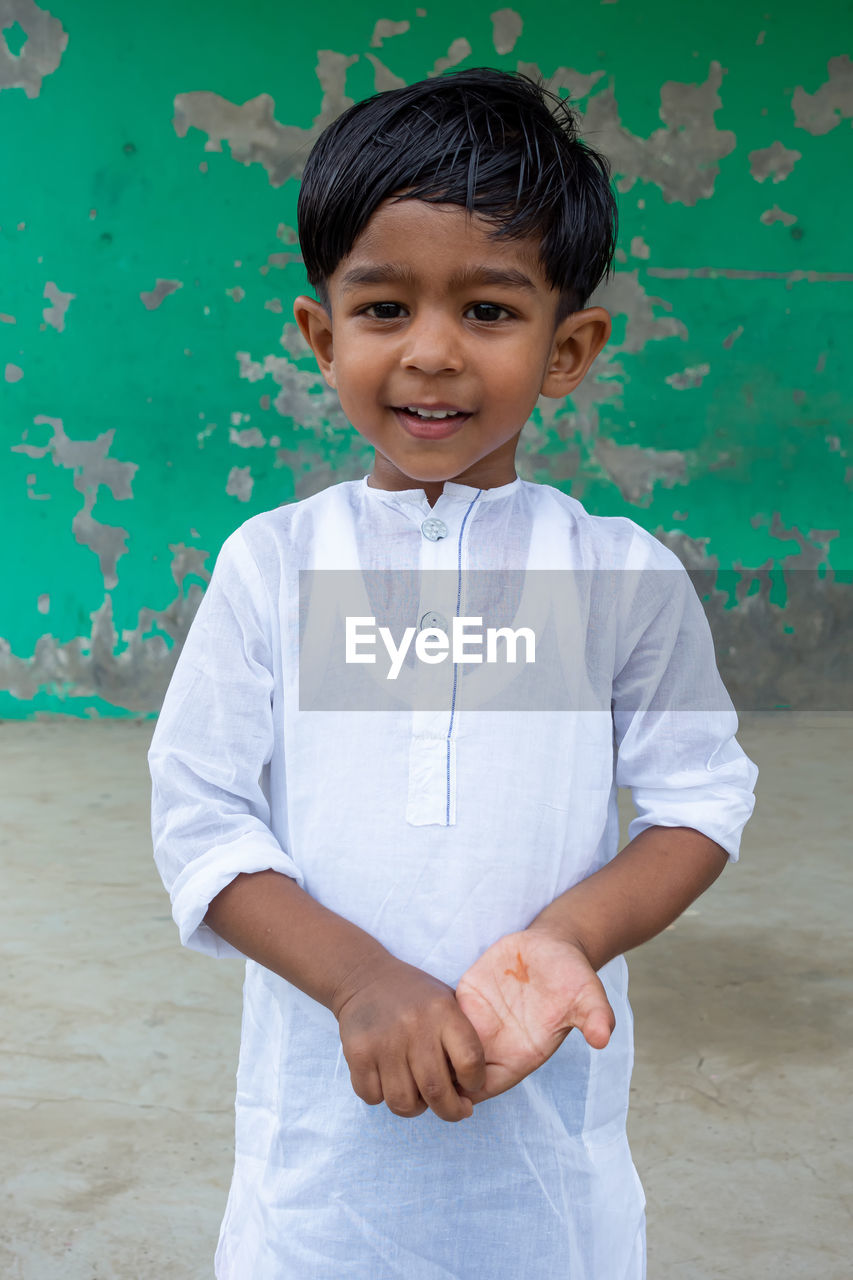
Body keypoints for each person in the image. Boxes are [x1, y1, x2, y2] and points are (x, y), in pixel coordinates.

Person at [149, 66, 758, 1279]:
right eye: (382, 310)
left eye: (486, 310)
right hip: (319, 1175)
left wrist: (570, 933)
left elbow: (700, 798)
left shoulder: (618, 574)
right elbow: (200, 819)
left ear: (568, 346)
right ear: (322, 334)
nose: (430, 353)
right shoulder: (272, 566)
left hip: (546, 1171)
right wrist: (360, 977)